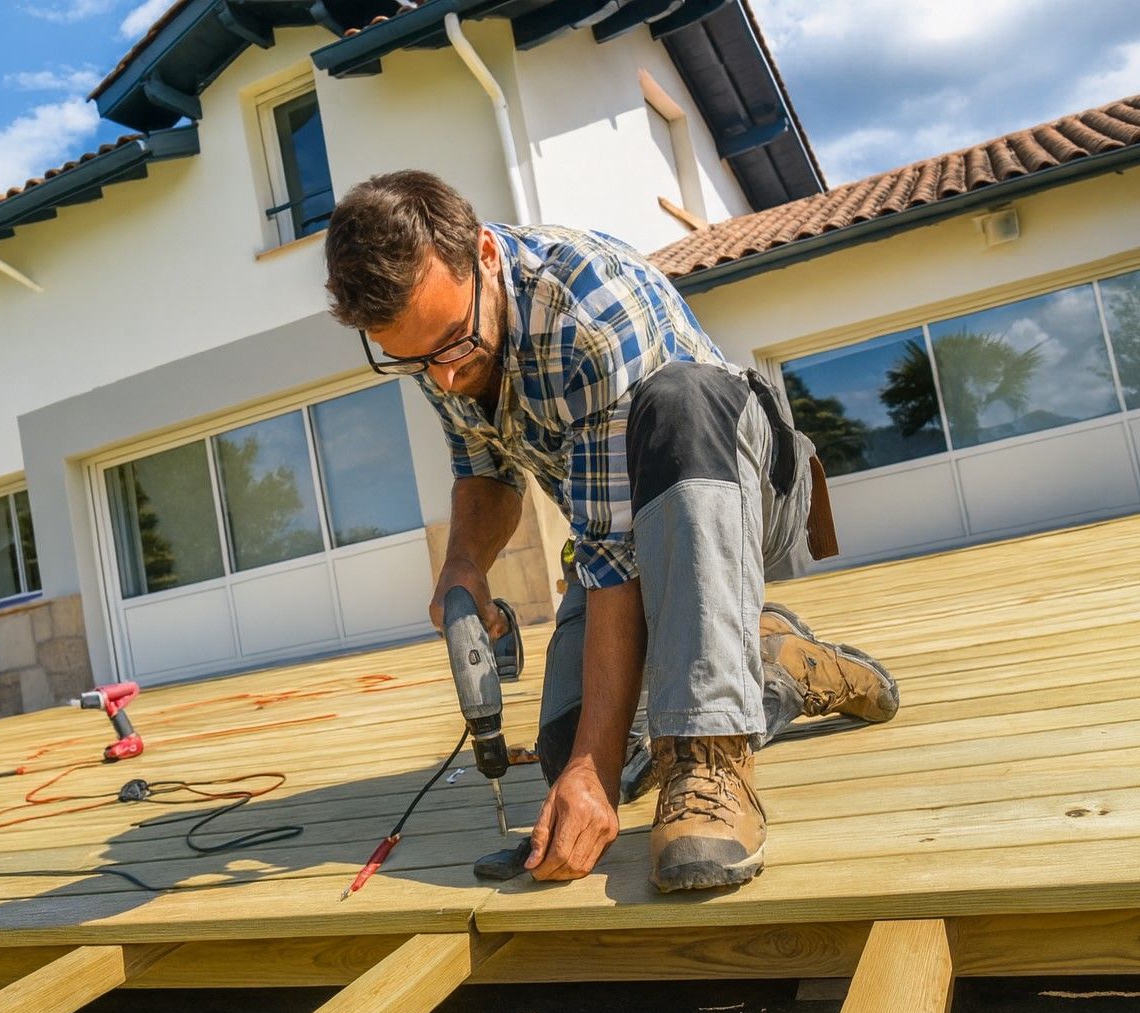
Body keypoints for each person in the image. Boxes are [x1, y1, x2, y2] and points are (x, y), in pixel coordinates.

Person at [324, 170, 898, 893]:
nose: (439, 378)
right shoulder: (442, 331)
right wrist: (463, 565)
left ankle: (712, 760)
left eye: (449, 346)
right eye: (411, 360)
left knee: (681, 398)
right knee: (577, 747)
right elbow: (487, 473)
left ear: (485, 254)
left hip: (738, 495)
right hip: (621, 534)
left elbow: (616, 562)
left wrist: (589, 777)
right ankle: (775, 661)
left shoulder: (586, 307)